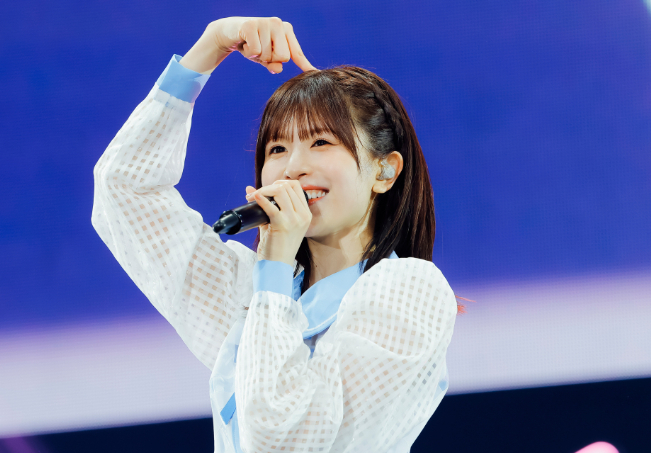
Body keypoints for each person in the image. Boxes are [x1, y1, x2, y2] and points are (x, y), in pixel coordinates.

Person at [92, 16, 461, 453]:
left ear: (384, 171)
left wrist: (274, 270)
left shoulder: (410, 291)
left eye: (321, 143)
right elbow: (123, 189)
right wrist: (211, 46)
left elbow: (282, 441)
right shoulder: (248, 292)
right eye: (278, 149)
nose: (293, 168)